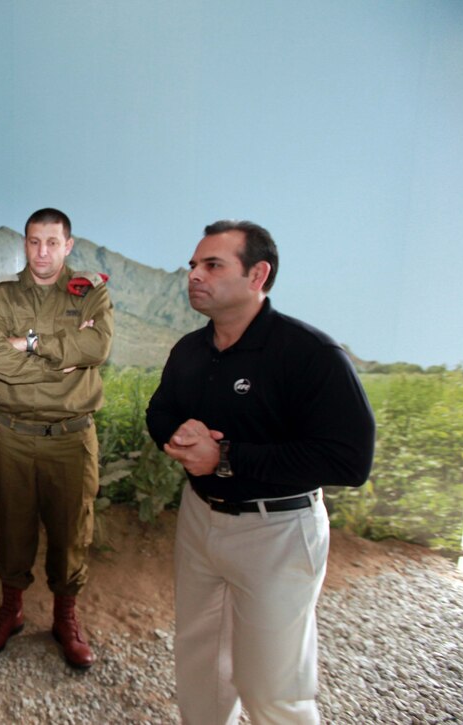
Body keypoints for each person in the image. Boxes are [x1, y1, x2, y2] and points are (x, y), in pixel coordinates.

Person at [146, 220, 375, 724]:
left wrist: (227, 457)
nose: (194, 276)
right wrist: (180, 436)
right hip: (199, 520)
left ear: (258, 275)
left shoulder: (310, 355)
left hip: (277, 532)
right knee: (201, 667)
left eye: (212, 265)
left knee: (273, 686)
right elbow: (159, 410)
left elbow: (349, 460)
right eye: (193, 266)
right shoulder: (189, 350)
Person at [0, 208, 113, 670]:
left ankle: (65, 619)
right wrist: (60, 351)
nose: (42, 252)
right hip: (15, 436)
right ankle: (11, 610)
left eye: (52, 242)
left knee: (72, 530)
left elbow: (96, 349)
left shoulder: (90, 293)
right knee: (12, 525)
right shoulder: (2, 295)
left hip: (72, 438)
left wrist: (28, 343)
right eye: (34, 241)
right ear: (25, 242)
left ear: (68, 245)